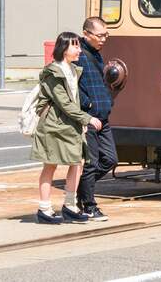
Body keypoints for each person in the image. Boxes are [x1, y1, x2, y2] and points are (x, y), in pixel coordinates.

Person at [30, 32, 103, 225]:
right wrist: (87, 119)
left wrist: (80, 123)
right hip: (54, 125)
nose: (79, 50)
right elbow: (64, 103)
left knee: (76, 162)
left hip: (70, 125)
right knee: (50, 164)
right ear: (64, 49)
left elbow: (74, 101)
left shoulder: (73, 70)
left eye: (79, 46)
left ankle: (70, 206)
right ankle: (44, 209)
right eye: (75, 46)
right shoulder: (53, 72)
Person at [75, 16, 118, 221]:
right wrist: (87, 106)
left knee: (110, 159)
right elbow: (72, 85)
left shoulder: (96, 54)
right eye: (100, 35)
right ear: (86, 34)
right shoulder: (78, 55)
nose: (103, 39)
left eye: (106, 35)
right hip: (89, 118)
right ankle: (89, 206)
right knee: (90, 163)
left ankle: (80, 190)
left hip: (103, 116)